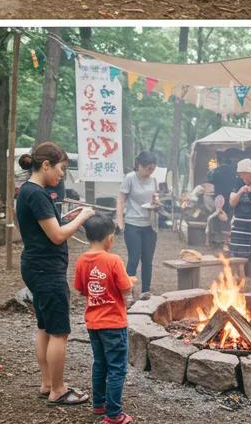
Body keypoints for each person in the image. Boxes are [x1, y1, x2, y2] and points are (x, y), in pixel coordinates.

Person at [15, 140, 95, 406]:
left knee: (44, 327)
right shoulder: (37, 194)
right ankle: (58, 389)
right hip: (46, 270)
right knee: (59, 331)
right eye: (60, 168)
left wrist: (67, 217)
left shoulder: (29, 191)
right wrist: (82, 218)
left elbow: (48, 227)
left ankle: (47, 382)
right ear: (46, 165)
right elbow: (58, 236)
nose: (62, 175)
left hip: (35, 266)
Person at [73, 216, 134, 424]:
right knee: (117, 368)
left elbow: (82, 289)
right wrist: (130, 280)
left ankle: (99, 404)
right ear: (110, 238)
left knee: (100, 364)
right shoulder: (113, 260)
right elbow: (125, 288)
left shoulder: (81, 260)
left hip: (93, 323)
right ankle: (114, 415)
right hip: (114, 324)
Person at [117, 151, 160, 298]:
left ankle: (146, 291)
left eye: (152, 169)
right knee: (134, 258)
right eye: (148, 168)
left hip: (150, 226)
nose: (150, 171)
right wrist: (120, 221)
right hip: (133, 224)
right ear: (139, 166)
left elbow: (155, 198)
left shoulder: (153, 180)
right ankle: (128, 291)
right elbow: (121, 200)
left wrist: (156, 203)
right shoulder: (130, 178)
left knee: (147, 260)